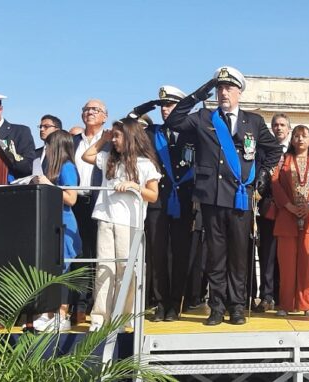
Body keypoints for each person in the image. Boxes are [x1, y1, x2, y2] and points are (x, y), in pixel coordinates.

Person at [165, 66, 282, 326]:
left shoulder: (253, 121)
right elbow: (173, 121)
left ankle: (237, 306)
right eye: (219, 88)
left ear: (239, 91)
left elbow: (273, 150)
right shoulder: (204, 117)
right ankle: (216, 307)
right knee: (216, 255)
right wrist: (201, 92)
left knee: (239, 255)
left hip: (240, 196)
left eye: (228, 88)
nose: (223, 92)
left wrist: (261, 176)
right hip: (212, 196)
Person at [82, 117, 161, 331]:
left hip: (130, 222)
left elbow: (153, 195)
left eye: (117, 136)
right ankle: (100, 318)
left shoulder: (146, 164)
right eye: (113, 136)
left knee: (126, 270)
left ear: (130, 136)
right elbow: (86, 155)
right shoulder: (109, 158)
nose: (114, 140)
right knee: (104, 270)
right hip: (106, 219)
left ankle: (123, 317)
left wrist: (134, 186)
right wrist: (103, 139)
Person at [131, 85, 196, 322]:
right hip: (157, 200)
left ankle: (174, 304)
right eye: (162, 106)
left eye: (170, 105)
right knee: (157, 254)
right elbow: (126, 126)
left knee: (180, 254)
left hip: (184, 199)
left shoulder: (192, 133)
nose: (165, 110)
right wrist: (141, 109)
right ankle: (159, 303)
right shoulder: (151, 133)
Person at [29, 129, 82, 331]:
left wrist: (49, 185)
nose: (46, 149)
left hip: (65, 224)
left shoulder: (67, 167)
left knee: (63, 268)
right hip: (51, 222)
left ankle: (62, 313)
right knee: (51, 269)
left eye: (49, 145)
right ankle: (49, 311)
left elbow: (71, 198)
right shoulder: (49, 166)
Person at [271, 124, 309, 317]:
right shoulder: (283, 159)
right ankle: (285, 304)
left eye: (304, 136)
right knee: (287, 265)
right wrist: (288, 205)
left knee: (308, 265)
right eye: (297, 136)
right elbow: (275, 185)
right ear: (292, 139)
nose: (300, 139)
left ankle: (307, 304)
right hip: (287, 217)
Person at [70, 99, 109, 325]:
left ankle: (99, 305)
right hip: (75, 203)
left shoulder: (111, 141)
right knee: (78, 254)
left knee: (100, 254)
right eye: (86, 109)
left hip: (100, 203)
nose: (90, 112)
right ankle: (79, 305)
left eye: (95, 109)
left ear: (105, 116)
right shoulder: (72, 141)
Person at [254, 113, 292, 313]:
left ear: (289, 129)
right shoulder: (262, 151)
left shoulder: (295, 151)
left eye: (282, 125)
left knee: (286, 254)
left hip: (291, 211)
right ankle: (267, 295)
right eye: (275, 125)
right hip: (269, 208)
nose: (279, 128)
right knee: (267, 253)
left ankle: (284, 295)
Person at [0, 91, 35, 181]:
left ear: (0, 109)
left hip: (8, 190)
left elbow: (28, 166)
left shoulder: (20, 132)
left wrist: (3, 150)